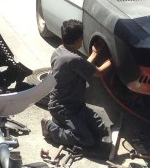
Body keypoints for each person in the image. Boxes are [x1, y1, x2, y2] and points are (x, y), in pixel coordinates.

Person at [41, 19, 112, 149]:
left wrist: (95, 53)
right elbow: (99, 72)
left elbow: (82, 65)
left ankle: (65, 124)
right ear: (79, 40)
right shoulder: (73, 59)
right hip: (63, 108)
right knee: (86, 140)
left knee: (101, 130)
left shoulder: (60, 51)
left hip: (75, 105)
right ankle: (49, 126)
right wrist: (115, 59)